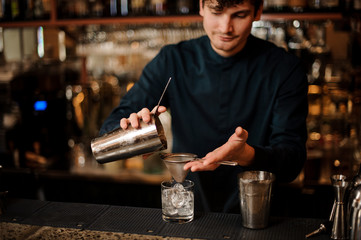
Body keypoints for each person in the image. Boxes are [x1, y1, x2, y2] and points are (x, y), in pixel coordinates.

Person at [99, 0, 308, 213]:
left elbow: (292, 161)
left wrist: (247, 155)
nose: (225, 27)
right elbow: (109, 128)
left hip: (258, 213)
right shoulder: (173, 60)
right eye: (216, 12)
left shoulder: (285, 69)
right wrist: (134, 132)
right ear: (201, 6)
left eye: (239, 15)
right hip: (187, 210)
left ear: (258, 11)